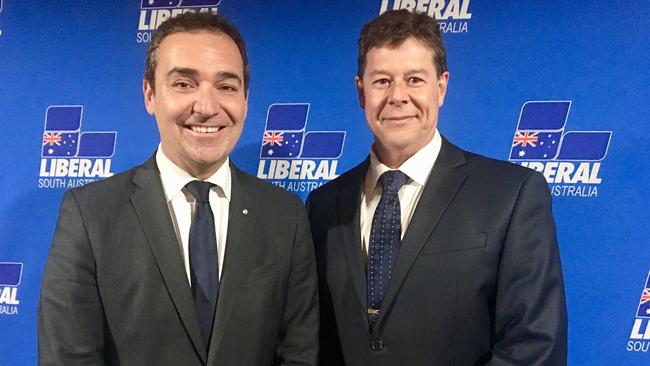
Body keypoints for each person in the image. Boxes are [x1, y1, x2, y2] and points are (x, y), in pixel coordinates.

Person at [38, 12, 318, 366]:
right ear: (150, 94)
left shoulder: (285, 215)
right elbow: (69, 357)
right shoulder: (90, 214)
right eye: (184, 84)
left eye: (226, 86)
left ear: (246, 100)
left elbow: (299, 352)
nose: (206, 106)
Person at [307, 9, 567, 365]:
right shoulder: (323, 204)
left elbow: (535, 344)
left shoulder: (511, 194)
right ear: (360, 92)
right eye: (382, 81)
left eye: (414, 79)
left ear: (441, 87)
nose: (397, 96)